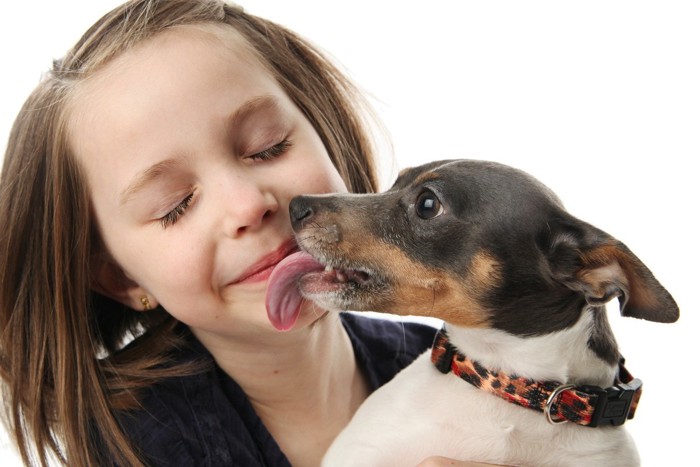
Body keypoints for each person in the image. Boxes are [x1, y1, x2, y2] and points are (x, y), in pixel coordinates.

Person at [0, 1, 497, 466]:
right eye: (176, 207)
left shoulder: (461, 371)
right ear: (121, 279)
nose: (248, 206)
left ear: (326, 133)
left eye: (268, 147)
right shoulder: (136, 441)